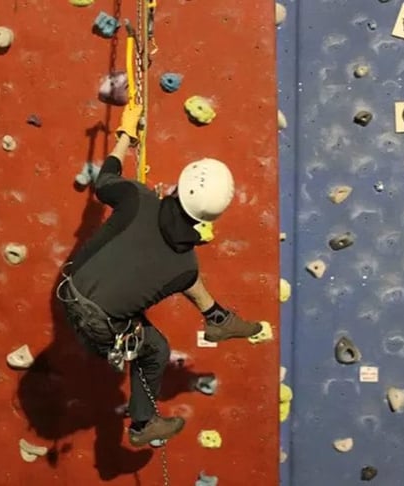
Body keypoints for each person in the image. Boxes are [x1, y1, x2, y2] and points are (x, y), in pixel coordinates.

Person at [56, 103, 263, 448]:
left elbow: (104, 181)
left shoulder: (138, 198)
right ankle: (143, 422)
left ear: (180, 186)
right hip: (100, 328)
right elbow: (178, 270)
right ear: (210, 217)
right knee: (156, 349)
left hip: (70, 292)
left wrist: (125, 135)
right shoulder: (185, 267)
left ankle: (219, 318)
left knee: (154, 296)